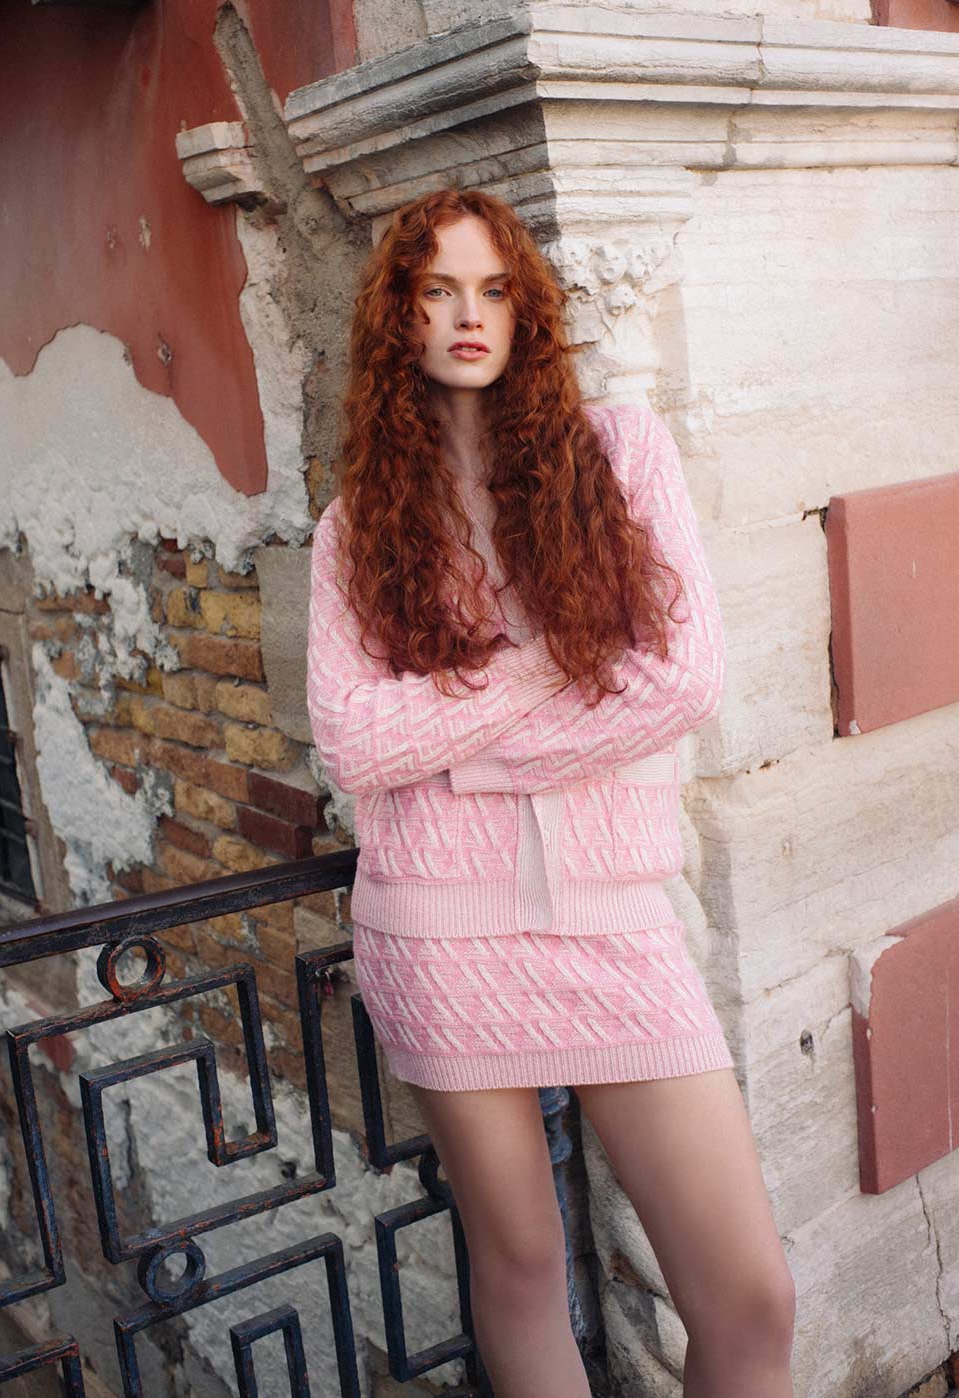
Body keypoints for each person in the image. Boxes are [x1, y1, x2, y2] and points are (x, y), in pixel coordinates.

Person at [304, 190, 794, 1396]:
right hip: (434, 930)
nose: (467, 315)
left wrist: (457, 742)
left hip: (617, 923)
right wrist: (552, 658)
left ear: (524, 308)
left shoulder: (618, 453)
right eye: (435, 291)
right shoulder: (355, 529)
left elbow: (678, 679)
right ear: (396, 320)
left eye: (491, 288)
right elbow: (352, 741)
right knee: (521, 1263)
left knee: (747, 1297)